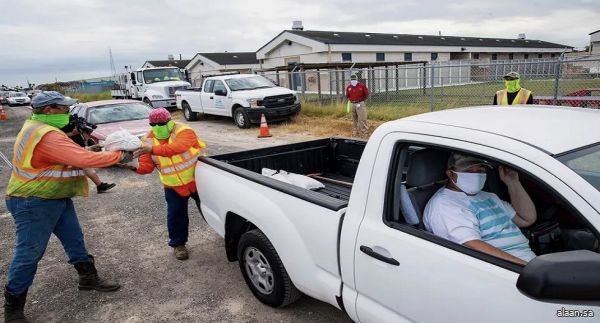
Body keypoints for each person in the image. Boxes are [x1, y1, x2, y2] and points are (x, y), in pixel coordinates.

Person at [4, 91, 132, 322]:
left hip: (54, 197)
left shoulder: (38, 128)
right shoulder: (46, 135)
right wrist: (119, 155)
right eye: (63, 108)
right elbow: (84, 161)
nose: (68, 112)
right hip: (33, 201)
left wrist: (88, 151)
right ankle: (13, 308)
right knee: (29, 254)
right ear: (49, 110)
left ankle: (87, 278)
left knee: (74, 239)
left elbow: (69, 156)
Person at [423, 153, 537, 265]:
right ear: (451, 174)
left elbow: (525, 219)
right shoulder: (445, 205)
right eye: (469, 171)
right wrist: (525, 267)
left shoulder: (488, 196)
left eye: (480, 171)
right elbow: (472, 245)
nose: (476, 175)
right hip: (506, 269)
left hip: (528, 261)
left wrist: (512, 182)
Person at [131, 108, 206, 260]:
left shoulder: (183, 130)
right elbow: (146, 167)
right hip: (173, 186)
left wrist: (152, 149)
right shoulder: (147, 141)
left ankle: (224, 231)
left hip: (198, 180)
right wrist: (130, 166)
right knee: (176, 216)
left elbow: (179, 147)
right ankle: (178, 245)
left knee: (211, 208)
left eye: (162, 123)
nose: (158, 127)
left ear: (170, 121)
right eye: (154, 124)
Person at [63, 126, 116, 193]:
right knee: (81, 166)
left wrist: (88, 148)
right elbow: (59, 137)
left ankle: (100, 185)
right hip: (65, 152)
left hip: (73, 149)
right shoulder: (53, 126)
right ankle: (99, 185)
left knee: (85, 165)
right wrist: (72, 133)